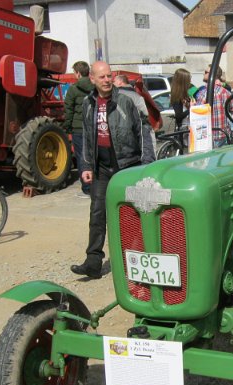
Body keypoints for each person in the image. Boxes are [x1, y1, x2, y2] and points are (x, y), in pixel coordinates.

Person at [70, 61, 150, 279]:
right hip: (101, 167)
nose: (106, 80)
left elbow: (143, 131)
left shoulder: (126, 101)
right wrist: (86, 165)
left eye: (109, 76)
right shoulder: (88, 103)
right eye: (102, 77)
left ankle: (135, 262)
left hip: (127, 166)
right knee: (97, 213)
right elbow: (87, 136)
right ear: (92, 79)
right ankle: (93, 262)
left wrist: (146, 164)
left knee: (131, 214)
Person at [62, 60, 93, 197]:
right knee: (93, 155)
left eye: (74, 72)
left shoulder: (73, 89)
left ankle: (86, 187)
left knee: (81, 157)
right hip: (92, 127)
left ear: (78, 73)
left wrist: (67, 127)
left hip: (78, 128)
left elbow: (68, 110)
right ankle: (97, 185)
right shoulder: (95, 87)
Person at [113, 74, 156, 162]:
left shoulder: (115, 95)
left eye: (114, 81)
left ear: (120, 82)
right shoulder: (136, 95)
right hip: (136, 135)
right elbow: (145, 113)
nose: (112, 83)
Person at [194, 64, 233, 148]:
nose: (204, 74)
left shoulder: (203, 94)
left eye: (206, 72)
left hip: (209, 138)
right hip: (224, 135)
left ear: (212, 74)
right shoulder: (227, 93)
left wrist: (192, 107)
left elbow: (197, 117)